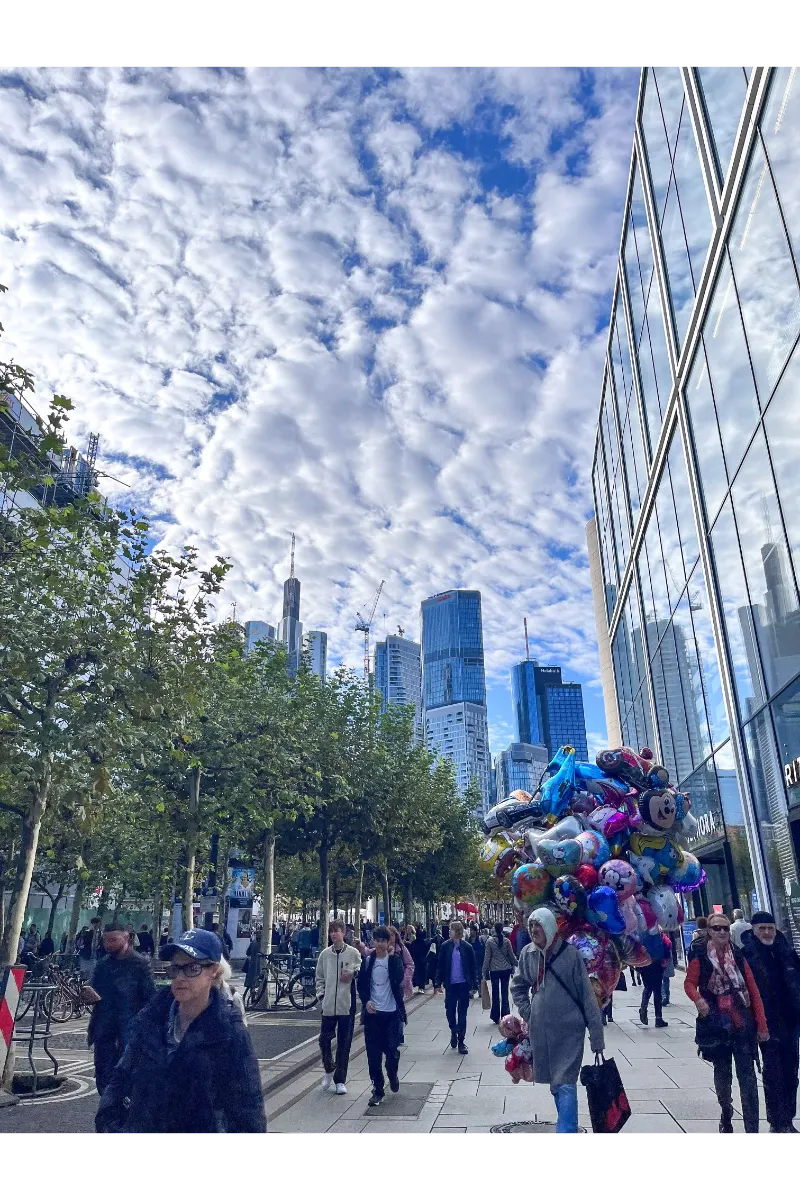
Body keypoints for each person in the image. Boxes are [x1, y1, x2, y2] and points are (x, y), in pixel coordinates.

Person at [96, 929, 265, 1135]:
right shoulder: (151, 1018)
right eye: (175, 968)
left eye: (192, 968)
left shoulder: (228, 1031)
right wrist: (109, 1125)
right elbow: (121, 1077)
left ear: (214, 970)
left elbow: (248, 1111)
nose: (180, 978)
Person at [511, 908, 605, 1136]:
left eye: (539, 925)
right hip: (541, 1031)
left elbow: (586, 994)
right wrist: (528, 1011)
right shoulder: (528, 954)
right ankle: (566, 1125)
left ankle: (566, 1131)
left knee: (565, 1080)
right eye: (532, 925)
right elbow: (518, 986)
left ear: (550, 927)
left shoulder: (570, 954)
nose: (534, 930)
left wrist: (596, 1035)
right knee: (556, 1082)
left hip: (569, 1031)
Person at [684, 912, 768, 1136]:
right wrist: (699, 1000)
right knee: (723, 1078)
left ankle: (753, 1130)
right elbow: (689, 983)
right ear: (709, 931)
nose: (721, 932)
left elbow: (753, 990)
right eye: (716, 928)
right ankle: (726, 1113)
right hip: (716, 1025)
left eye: (725, 928)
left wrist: (762, 1026)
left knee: (748, 1079)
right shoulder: (701, 955)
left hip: (742, 1023)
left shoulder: (738, 955)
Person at [741, 911, 800, 1135]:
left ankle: (788, 1119)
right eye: (762, 928)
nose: (767, 932)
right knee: (773, 1073)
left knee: (791, 1073)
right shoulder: (748, 955)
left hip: (790, 1022)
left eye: (770, 928)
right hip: (766, 1023)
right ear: (754, 929)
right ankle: (777, 1122)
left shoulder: (786, 952)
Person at [88, 922, 155, 1094]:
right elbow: (94, 991)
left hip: (129, 1027)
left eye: (113, 940)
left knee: (127, 1073)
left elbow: (149, 998)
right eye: (106, 941)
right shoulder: (102, 965)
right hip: (104, 1026)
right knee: (103, 1074)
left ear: (126, 939)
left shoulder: (140, 964)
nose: (108, 945)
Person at [357, 926, 407, 1107]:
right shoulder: (367, 961)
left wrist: (393, 957)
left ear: (388, 942)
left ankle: (392, 1075)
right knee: (373, 1055)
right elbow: (361, 985)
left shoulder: (394, 961)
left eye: (383, 941)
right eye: (376, 940)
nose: (379, 944)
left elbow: (399, 977)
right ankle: (377, 1089)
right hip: (373, 1015)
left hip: (392, 1014)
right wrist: (366, 1000)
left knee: (392, 1052)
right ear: (373, 941)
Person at [316, 919, 362, 1095]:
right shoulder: (325, 954)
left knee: (344, 1042)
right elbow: (319, 977)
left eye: (336, 931)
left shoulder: (352, 953)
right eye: (331, 931)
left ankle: (340, 1079)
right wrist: (321, 995)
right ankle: (329, 1067)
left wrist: (353, 973)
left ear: (344, 932)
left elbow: (362, 968)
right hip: (328, 1005)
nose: (333, 934)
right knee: (324, 1039)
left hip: (346, 1005)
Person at [435, 920, 477, 1054]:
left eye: (452, 929)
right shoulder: (445, 946)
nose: (449, 932)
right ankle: (454, 1030)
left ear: (457, 931)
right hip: (451, 984)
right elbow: (440, 965)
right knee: (450, 1011)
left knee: (463, 1013)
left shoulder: (467, 947)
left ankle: (461, 1041)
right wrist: (437, 983)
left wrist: (474, 984)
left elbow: (473, 967)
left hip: (463, 984)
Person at [481, 921, 517, 1023]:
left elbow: (487, 958)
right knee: (505, 993)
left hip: (494, 970)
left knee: (495, 993)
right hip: (505, 970)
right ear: (502, 930)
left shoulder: (489, 941)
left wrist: (484, 971)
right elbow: (511, 956)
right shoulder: (506, 941)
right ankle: (505, 1015)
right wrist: (519, 964)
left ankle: (495, 1016)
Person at [638, 928, 669, 1028]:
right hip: (656, 964)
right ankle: (658, 1018)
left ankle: (643, 1007)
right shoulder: (657, 933)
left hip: (644, 964)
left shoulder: (640, 932)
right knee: (657, 991)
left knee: (647, 987)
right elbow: (666, 945)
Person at [408, 925, 429, 994]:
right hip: (423, 961)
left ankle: (418, 985)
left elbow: (411, 951)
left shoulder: (414, 943)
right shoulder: (425, 943)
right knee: (422, 974)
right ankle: (421, 987)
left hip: (416, 961)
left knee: (417, 973)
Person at [468, 923, 486, 992]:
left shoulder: (480, 939)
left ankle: (480, 991)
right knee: (471, 975)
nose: (470, 932)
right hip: (471, 961)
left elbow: (483, 950)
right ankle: (472, 991)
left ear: (475, 931)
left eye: (471, 930)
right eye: (470, 930)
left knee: (479, 975)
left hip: (479, 960)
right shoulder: (468, 939)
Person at [661, 932, 675, 1006]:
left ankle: (664, 997)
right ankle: (667, 997)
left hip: (660, 962)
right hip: (667, 962)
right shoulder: (667, 940)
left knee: (660, 981)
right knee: (666, 980)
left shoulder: (658, 939)